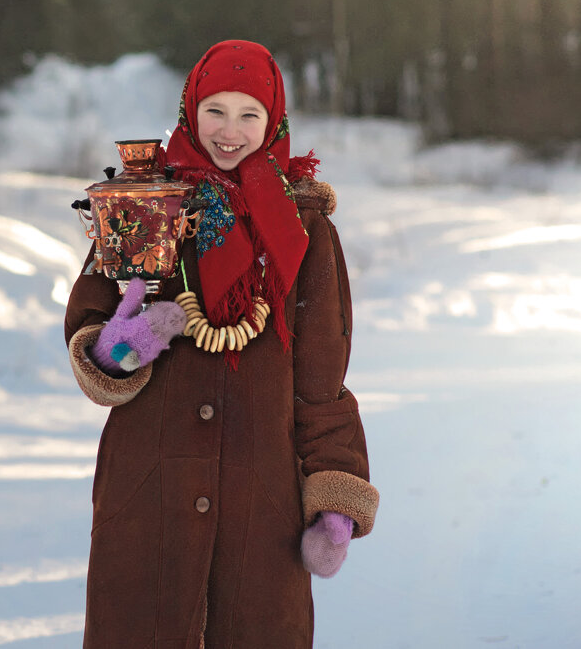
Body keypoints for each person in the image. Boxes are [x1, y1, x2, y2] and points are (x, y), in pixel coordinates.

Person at [64, 39, 378, 648]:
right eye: (215, 111)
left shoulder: (306, 231)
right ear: (189, 110)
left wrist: (335, 490)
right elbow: (90, 326)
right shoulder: (142, 205)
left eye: (248, 114)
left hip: (262, 502)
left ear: (275, 121)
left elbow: (321, 380)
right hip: (148, 486)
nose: (229, 131)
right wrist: (118, 350)